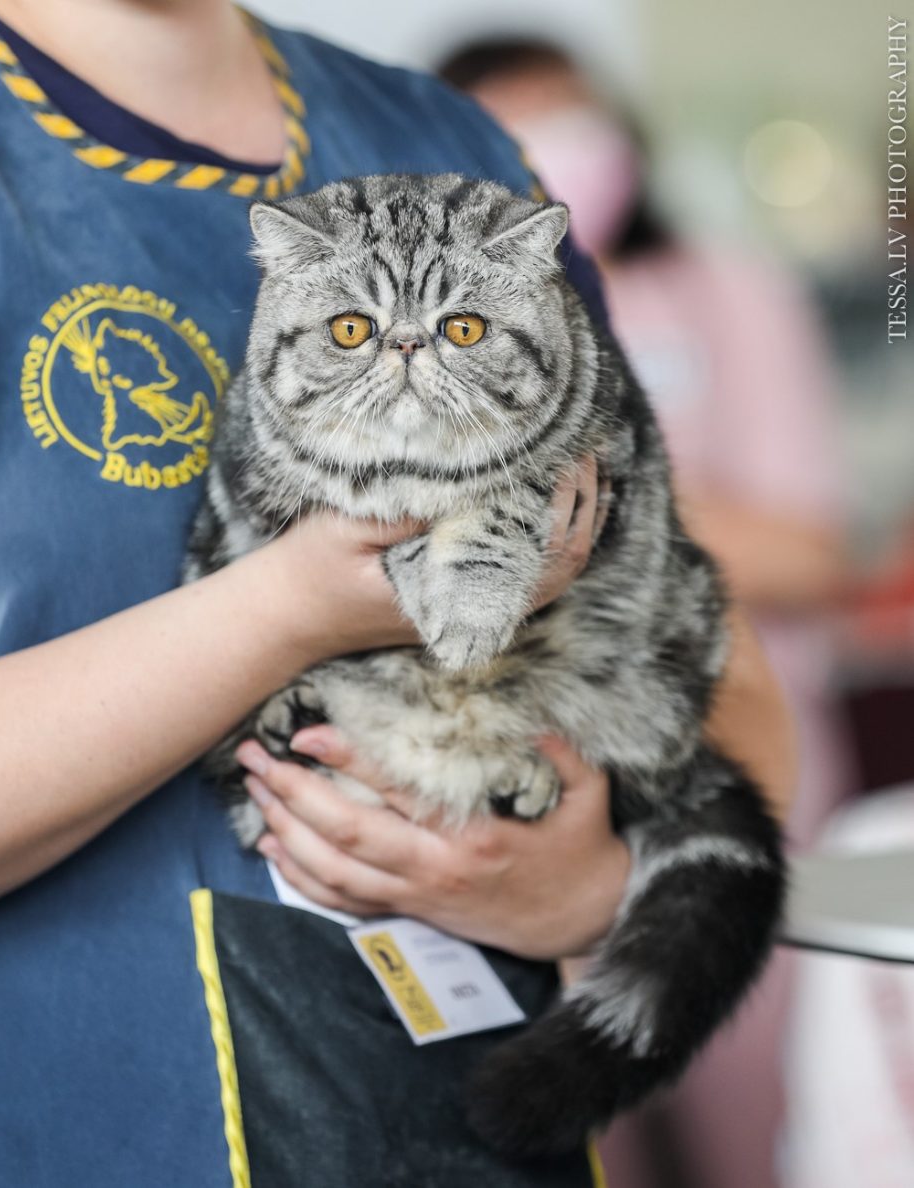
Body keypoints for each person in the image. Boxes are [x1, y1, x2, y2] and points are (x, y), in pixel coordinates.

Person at [0, 3, 794, 1185]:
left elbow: (715, 658)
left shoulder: (449, 141)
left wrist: (593, 889)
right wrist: (289, 610)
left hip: (466, 1115)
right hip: (67, 1118)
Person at [439, 37, 846, 1188]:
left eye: (573, 127)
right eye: (514, 136)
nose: (559, 166)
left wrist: (586, 475)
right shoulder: (438, 337)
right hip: (524, 814)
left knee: (764, 1132)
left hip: (743, 780)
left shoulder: (723, 289)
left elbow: (809, 551)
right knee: (575, 1137)